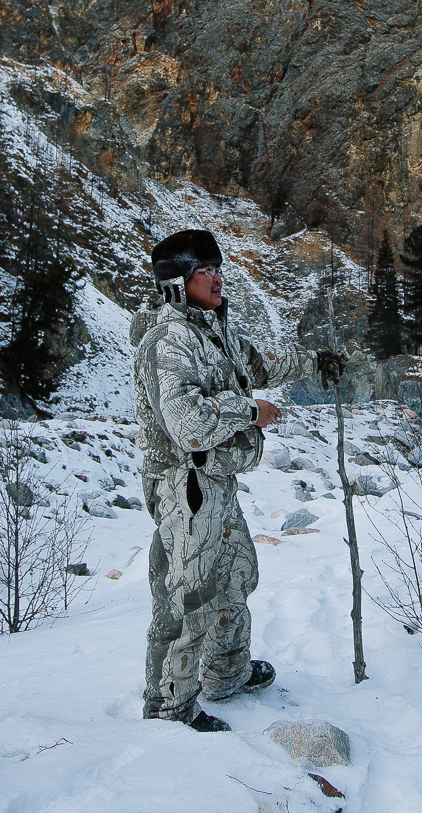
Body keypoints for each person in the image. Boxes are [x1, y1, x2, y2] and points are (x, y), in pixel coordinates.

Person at [130, 229, 345, 731]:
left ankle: (226, 673)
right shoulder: (170, 339)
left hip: (214, 485)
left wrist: (316, 362)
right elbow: (186, 424)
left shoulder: (210, 329)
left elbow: (260, 362)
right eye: (205, 270)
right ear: (180, 282)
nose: (217, 277)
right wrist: (250, 411)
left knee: (235, 574)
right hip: (185, 487)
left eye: (216, 268)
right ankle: (170, 707)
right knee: (188, 597)